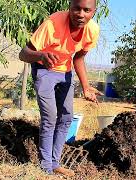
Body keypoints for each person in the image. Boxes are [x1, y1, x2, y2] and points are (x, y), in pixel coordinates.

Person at [19, 0, 102, 176]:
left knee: (66, 118)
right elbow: (23, 53)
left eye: (86, 10)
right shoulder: (52, 24)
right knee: (50, 118)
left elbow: (78, 58)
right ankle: (46, 168)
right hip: (45, 70)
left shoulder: (92, 30)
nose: (80, 14)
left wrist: (86, 86)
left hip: (65, 72)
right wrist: (41, 55)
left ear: (93, 12)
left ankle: (55, 163)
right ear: (69, 7)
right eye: (76, 8)